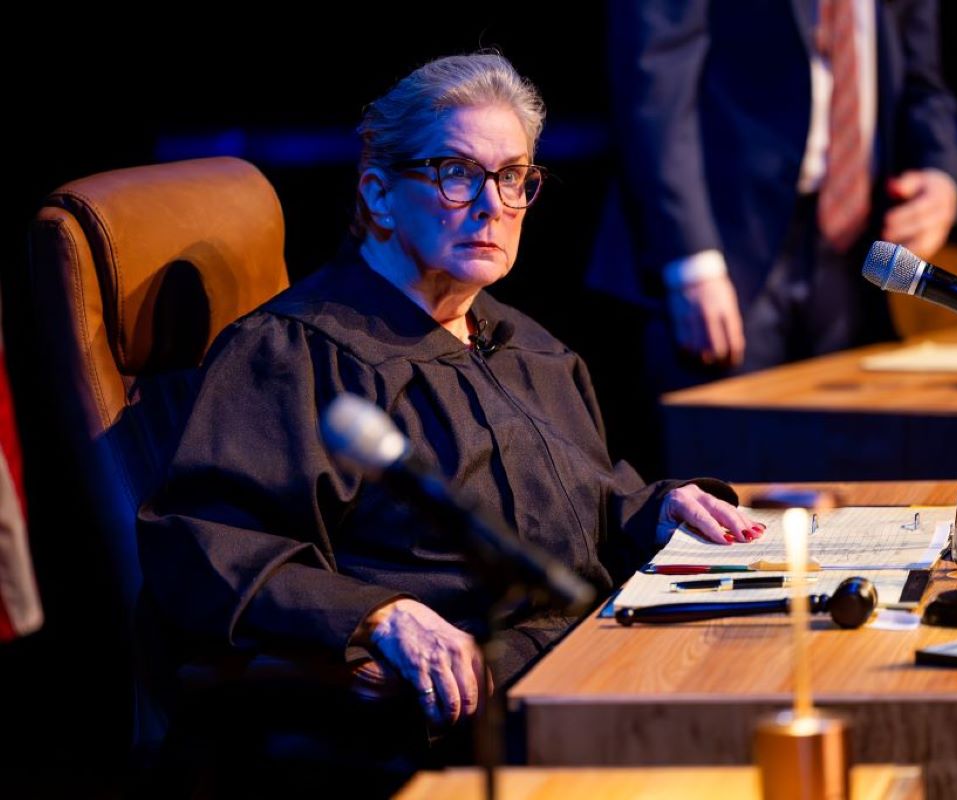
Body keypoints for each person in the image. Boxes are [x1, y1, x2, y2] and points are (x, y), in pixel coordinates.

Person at [137, 52, 758, 743]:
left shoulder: (532, 349)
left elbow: (581, 504)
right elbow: (203, 548)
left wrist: (660, 507)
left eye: (514, 176)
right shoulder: (290, 357)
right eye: (457, 173)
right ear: (377, 193)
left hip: (598, 664)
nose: (494, 205)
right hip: (458, 717)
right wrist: (378, 615)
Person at [586, 0, 957, 472]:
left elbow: (922, 79)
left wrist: (941, 174)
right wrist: (690, 260)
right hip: (723, 244)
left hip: (852, 247)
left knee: (855, 489)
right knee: (728, 495)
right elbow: (654, 76)